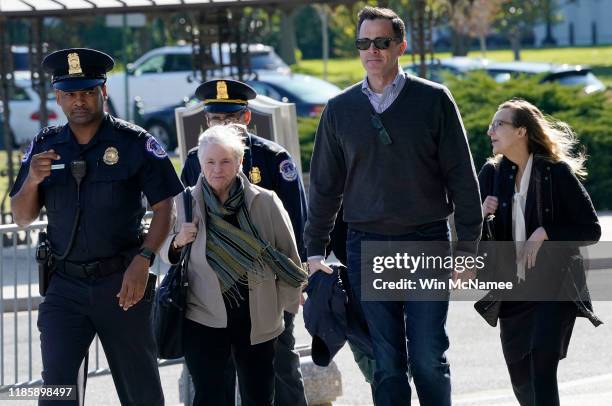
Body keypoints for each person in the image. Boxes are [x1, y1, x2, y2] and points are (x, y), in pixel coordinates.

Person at [304, 6, 482, 406]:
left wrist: (468, 247)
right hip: (366, 246)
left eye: (382, 42)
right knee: (385, 362)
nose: (373, 51)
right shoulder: (339, 110)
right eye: (363, 43)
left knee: (427, 358)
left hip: (426, 242)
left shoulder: (433, 100)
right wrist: (314, 249)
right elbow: (324, 187)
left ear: (401, 45)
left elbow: (462, 178)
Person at [10, 48, 183, 405]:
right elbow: (22, 217)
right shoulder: (45, 145)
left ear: (103, 92)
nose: (80, 101)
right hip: (64, 286)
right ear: (58, 97)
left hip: (122, 285)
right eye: (71, 94)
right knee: (57, 390)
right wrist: (31, 181)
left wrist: (144, 259)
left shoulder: (135, 143)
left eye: (88, 92)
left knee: (141, 391)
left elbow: (166, 206)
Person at [180, 79, 308, 406]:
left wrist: (292, 289)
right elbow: (181, 219)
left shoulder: (272, 157)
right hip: (211, 295)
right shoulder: (196, 160)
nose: (223, 125)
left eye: (231, 118)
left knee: (279, 369)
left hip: (264, 288)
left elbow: (294, 227)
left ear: (247, 118)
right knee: (215, 381)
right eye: (215, 119)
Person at [478, 98, 602, 406]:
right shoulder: (491, 175)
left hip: (553, 287)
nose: (490, 130)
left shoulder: (555, 173)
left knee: (541, 366)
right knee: (521, 379)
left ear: (521, 131)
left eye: (499, 124)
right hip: (512, 293)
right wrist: (480, 215)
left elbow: (591, 229)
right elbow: (470, 238)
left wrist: (546, 232)